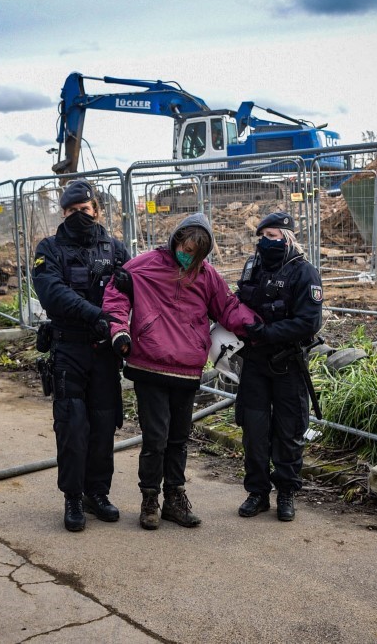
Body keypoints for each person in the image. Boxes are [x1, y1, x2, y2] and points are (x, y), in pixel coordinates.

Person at [103, 212, 259, 530]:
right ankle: (150, 499)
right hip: (149, 363)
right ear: (175, 241)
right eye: (184, 248)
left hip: (187, 369)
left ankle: (174, 498)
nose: (187, 256)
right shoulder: (145, 265)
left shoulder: (206, 275)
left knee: (178, 439)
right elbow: (116, 294)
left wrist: (258, 327)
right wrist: (119, 329)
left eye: (195, 253)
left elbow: (228, 308)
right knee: (155, 438)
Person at [32, 179, 129, 532]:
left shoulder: (115, 249)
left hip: (104, 353)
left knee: (104, 426)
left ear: (97, 211)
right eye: (71, 212)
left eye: (84, 211)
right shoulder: (50, 248)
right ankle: (72, 497)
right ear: (63, 213)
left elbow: (135, 289)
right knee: (72, 426)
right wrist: (95, 315)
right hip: (69, 348)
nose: (78, 217)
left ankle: (97, 493)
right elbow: (52, 293)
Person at [234, 212, 323, 522]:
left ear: (288, 238)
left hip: (288, 364)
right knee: (254, 431)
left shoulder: (304, 272)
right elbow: (237, 303)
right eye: (263, 236)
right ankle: (257, 493)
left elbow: (308, 322)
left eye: (274, 236)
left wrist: (267, 333)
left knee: (288, 433)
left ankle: (286, 492)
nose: (267, 241)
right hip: (255, 363)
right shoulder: (251, 268)